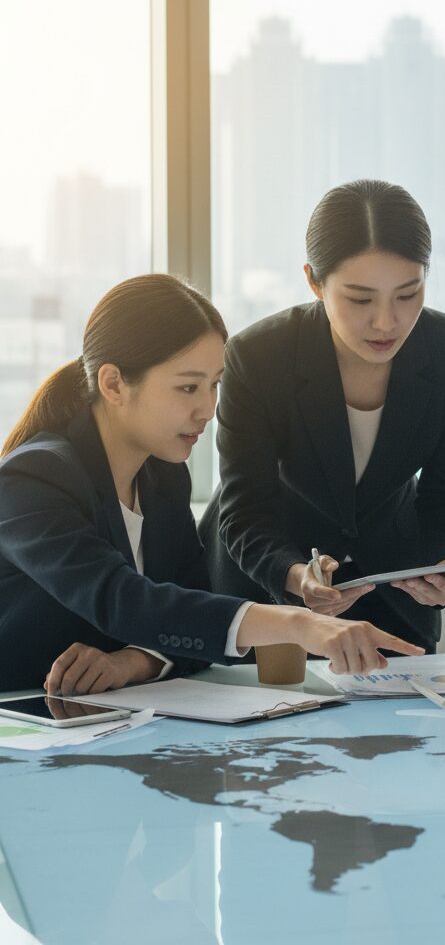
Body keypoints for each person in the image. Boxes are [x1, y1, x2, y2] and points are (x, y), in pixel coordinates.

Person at [0, 274, 423, 695]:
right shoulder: (35, 478)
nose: (208, 408)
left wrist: (131, 662)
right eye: (188, 387)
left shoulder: (163, 478)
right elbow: (122, 599)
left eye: (214, 384)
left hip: (109, 718)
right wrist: (299, 624)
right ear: (113, 384)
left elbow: (195, 617)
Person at [200, 180, 445, 653]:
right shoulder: (258, 355)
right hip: (268, 597)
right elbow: (245, 507)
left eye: (407, 294)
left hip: (395, 595)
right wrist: (296, 576)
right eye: (360, 299)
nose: (386, 322)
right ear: (314, 282)